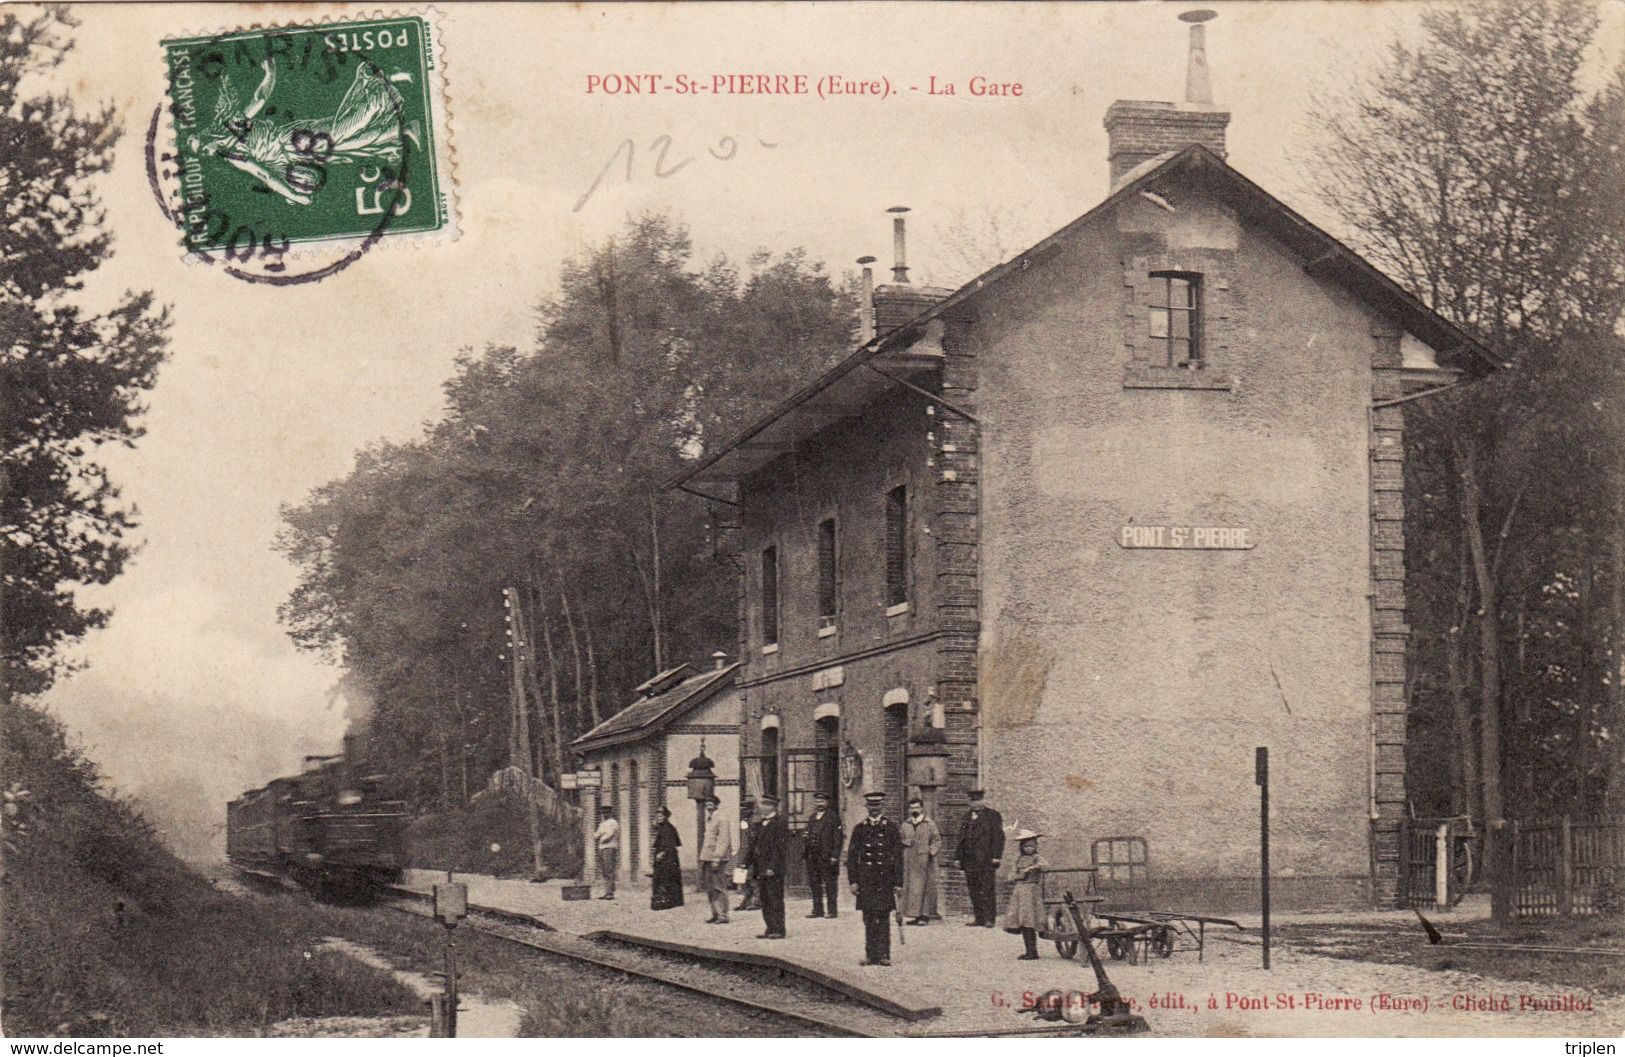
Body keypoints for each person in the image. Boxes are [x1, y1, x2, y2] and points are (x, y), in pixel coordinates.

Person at [847, 790, 903, 966]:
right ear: (867, 807)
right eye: (871, 805)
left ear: (882, 806)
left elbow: (898, 858)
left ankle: (885, 954)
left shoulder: (891, 828)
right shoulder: (860, 829)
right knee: (868, 917)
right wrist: (854, 881)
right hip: (866, 880)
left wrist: (898, 883)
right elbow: (852, 857)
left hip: (884, 880)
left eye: (877, 805)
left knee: (884, 917)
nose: (874, 808)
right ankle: (870, 954)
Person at [955, 788, 1005, 927]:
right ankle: (979, 918)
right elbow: (961, 838)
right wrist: (958, 857)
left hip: (986, 859)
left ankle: (990, 918)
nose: (976, 803)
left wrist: (996, 856)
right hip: (969, 860)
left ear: (983, 801)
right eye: (973, 801)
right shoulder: (966, 817)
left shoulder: (993, 816)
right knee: (973, 889)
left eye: (978, 800)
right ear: (969, 802)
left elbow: (999, 837)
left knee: (987, 888)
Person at [746, 794, 787, 938]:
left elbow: (779, 848)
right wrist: (745, 863)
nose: (763, 807)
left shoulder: (779, 823)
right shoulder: (760, 823)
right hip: (760, 867)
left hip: (772, 869)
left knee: (775, 899)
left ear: (773, 806)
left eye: (767, 804)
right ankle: (770, 928)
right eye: (763, 804)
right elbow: (753, 846)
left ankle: (779, 929)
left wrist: (772, 867)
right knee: (765, 899)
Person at [1002, 830, 1047, 960]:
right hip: (1020, 891)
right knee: (1023, 920)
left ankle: (1032, 952)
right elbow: (1011, 876)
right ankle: (1030, 951)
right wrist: (1019, 875)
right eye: (1026, 846)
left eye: (1032, 846)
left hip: (1032, 890)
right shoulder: (1019, 859)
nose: (1029, 849)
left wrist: (1032, 868)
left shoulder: (1037, 858)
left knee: (1029, 920)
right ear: (1022, 847)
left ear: (1036, 847)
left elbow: (1045, 865)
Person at [802, 791, 844, 919]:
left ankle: (832, 910)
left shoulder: (833, 817)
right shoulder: (812, 817)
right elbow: (807, 832)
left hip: (826, 856)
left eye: (821, 801)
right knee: (815, 883)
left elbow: (838, 839)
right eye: (817, 801)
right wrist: (806, 838)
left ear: (827, 802)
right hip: (813, 856)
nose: (819, 804)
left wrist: (835, 856)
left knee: (830, 884)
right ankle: (817, 910)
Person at [899, 796, 941, 924]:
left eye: (917, 807)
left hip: (924, 860)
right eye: (912, 807)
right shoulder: (906, 824)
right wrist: (904, 842)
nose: (914, 810)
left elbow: (937, 840)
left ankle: (924, 916)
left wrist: (930, 852)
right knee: (912, 888)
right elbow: (899, 839)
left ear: (922, 808)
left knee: (925, 887)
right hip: (910, 861)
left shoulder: (929, 824)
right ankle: (915, 915)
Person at [698, 795, 733, 924]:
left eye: (711, 804)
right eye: (707, 804)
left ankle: (723, 914)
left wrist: (717, 858)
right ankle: (715, 913)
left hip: (716, 859)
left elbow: (723, 840)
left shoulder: (721, 818)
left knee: (719, 886)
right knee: (710, 887)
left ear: (716, 805)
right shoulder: (710, 819)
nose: (708, 806)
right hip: (707, 858)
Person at [650, 806, 684, 910]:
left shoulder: (668, 828)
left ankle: (665, 900)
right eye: (658, 815)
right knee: (663, 878)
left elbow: (670, 844)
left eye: (662, 815)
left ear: (666, 816)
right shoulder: (662, 827)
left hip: (668, 858)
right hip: (665, 857)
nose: (659, 817)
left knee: (666, 878)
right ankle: (669, 900)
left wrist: (662, 853)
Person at [735, 798, 760, 912]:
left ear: (751, 810)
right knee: (744, 878)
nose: (744, 811)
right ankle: (746, 901)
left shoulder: (754, 822)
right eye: (742, 809)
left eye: (746, 809)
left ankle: (756, 901)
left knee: (753, 878)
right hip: (745, 852)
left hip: (753, 853)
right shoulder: (744, 821)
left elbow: (752, 840)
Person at [594, 805, 620, 900]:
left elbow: (609, 835)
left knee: (609, 869)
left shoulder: (613, 822)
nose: (604, 814)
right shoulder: (602, 824)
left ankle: (610, 893)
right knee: (604, 870)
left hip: (609, 847)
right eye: (603, 813)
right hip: (602, 848)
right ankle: (607, 891)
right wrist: (599, 835)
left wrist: (601, 837)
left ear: (610, 813)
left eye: (606, 812)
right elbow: (596, 834)